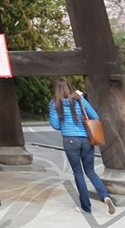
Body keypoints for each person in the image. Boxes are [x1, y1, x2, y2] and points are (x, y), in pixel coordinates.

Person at [48, 78, 116, 216]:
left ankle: (86, 206)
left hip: (70, 140)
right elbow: (95, 116)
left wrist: (65, 123)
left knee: (78, 172)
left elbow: (55, 125)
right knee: (90, 171)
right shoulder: (80, 99)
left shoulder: (54, 103)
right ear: (69, 86)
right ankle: (105, 196)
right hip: (86, 139)